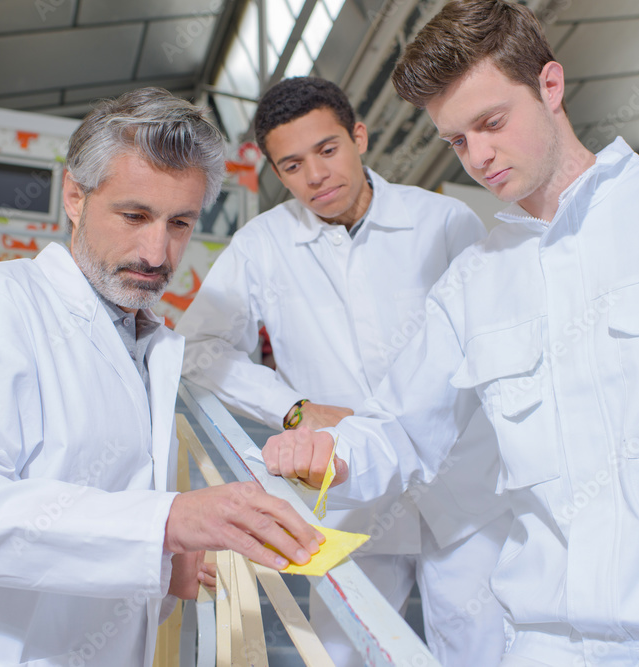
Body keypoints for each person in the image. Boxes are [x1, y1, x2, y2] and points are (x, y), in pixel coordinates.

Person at [262, 2, 639, 665]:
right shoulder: (473, 282)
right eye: (456, 141)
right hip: (551, 643)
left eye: (492, 123)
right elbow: (399, 431)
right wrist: (328, 453)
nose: (479, 156)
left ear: (550, 85)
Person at [0, 88, 322, 667]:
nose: (156, 253)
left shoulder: (149, 346)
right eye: (134, 216)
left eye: (179, 223)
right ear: (75, 196)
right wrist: (164, 522)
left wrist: (160, 562)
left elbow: (103, 520)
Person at [176, 76, 509, 665]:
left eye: (327, 149)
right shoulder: (262, 245)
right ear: (277, 173)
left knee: (481, 652)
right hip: (348, 497)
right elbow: (198, 347)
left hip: (462, 490)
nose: (316, 175)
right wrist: (292, 409)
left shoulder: (444, 222)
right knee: (340, 654)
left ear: (358, 137)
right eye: (292, 165)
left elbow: (497, 343)